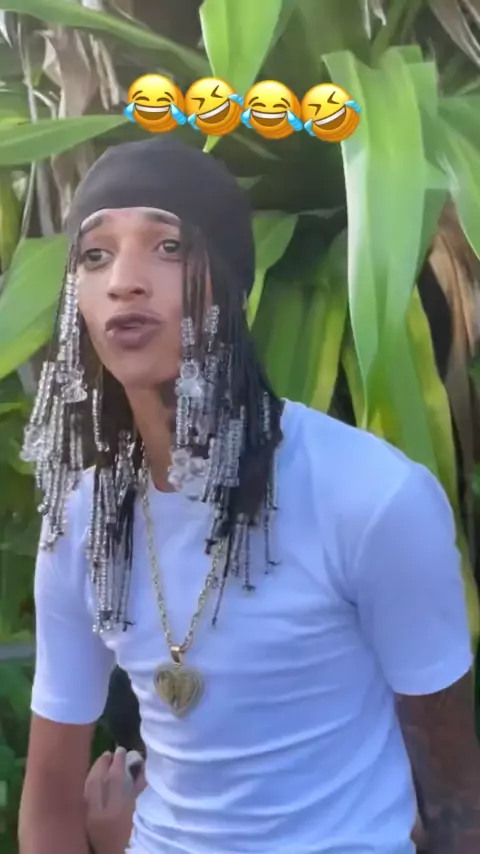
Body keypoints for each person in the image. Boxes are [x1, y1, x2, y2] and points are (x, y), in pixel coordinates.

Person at [17, 135, 480, 854]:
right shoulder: (83, 522)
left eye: (168, 247)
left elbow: (456, 803)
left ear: (232, 284)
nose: (124, 281)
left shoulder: (371, 497)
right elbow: (48, 803)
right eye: (95, 256)